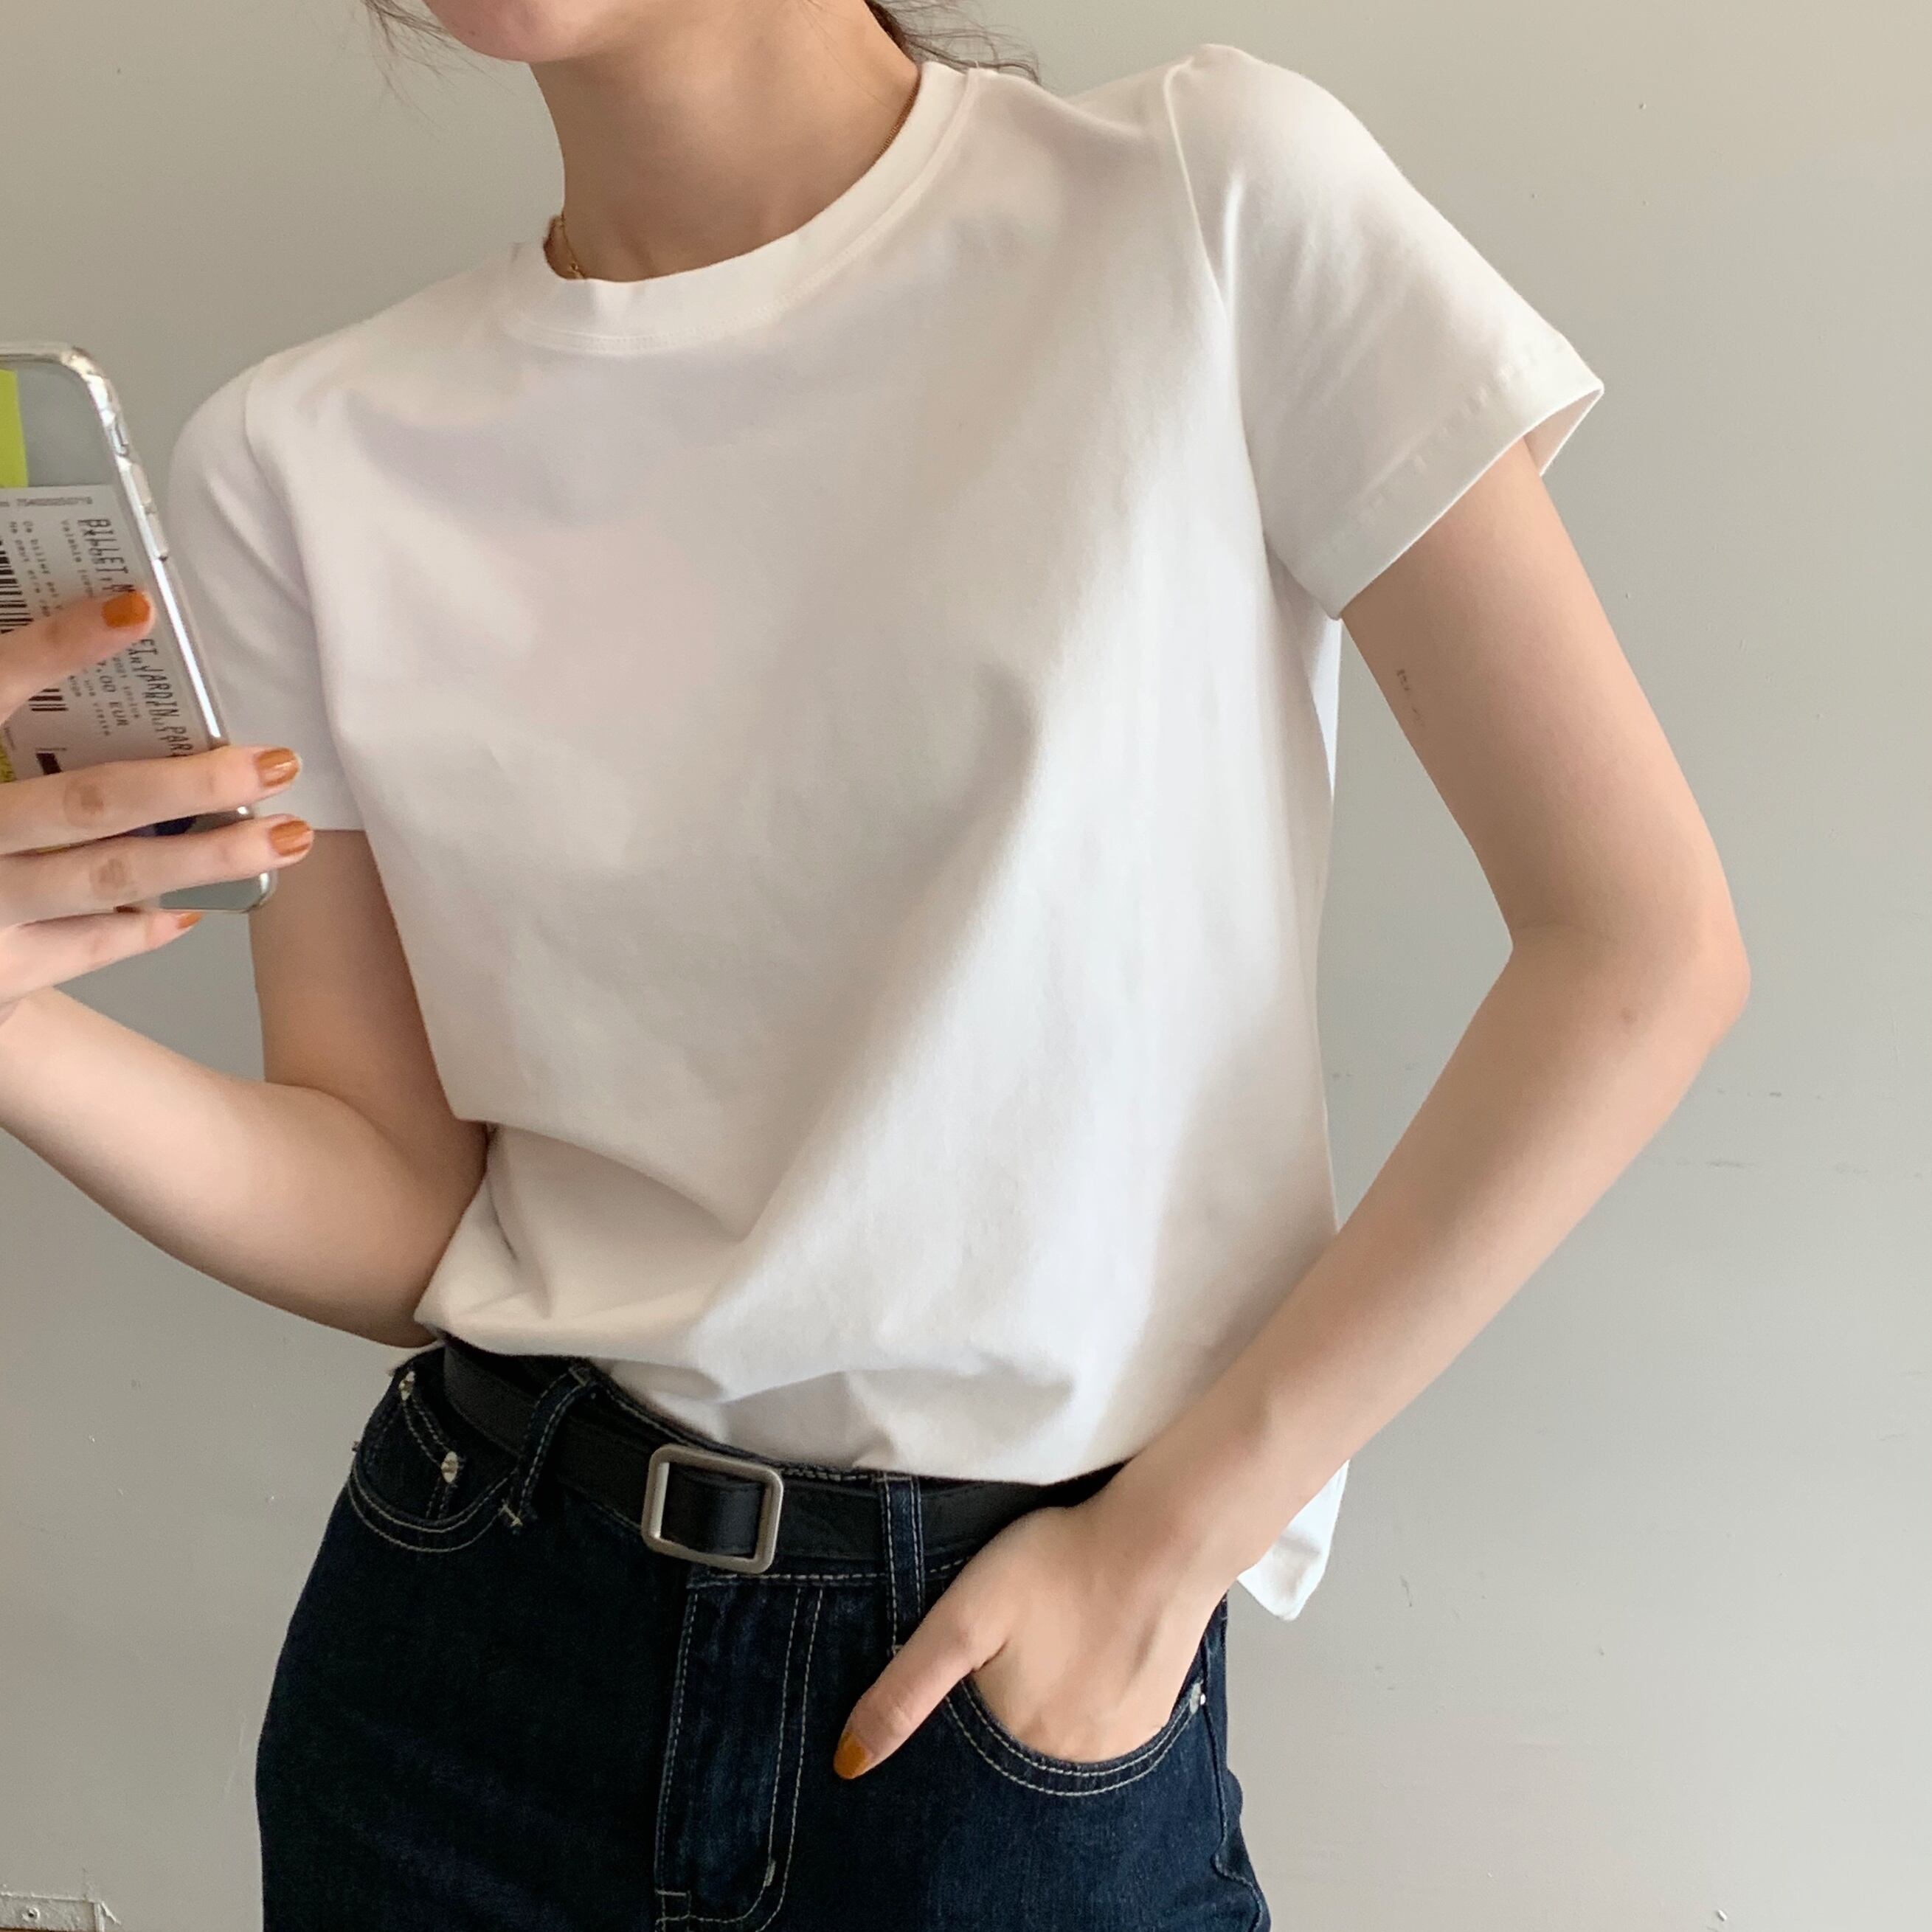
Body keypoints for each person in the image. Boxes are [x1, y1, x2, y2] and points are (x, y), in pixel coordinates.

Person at [0, 1, 1748, 1924]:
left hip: (1002, 1711)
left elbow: (1637, 947)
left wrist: (1166, 1551)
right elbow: (401, 1199)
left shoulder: (1206, 202)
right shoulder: (297, 455)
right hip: (473, 1668)